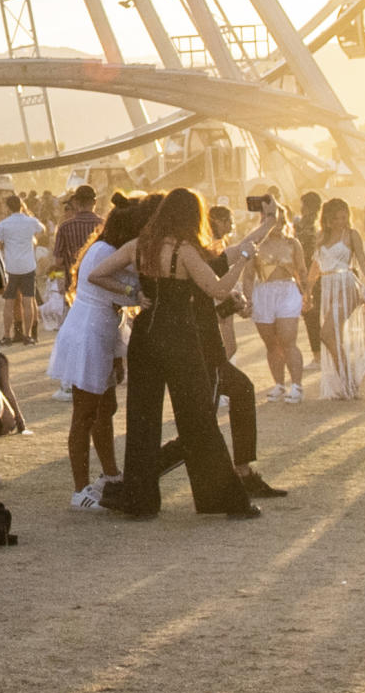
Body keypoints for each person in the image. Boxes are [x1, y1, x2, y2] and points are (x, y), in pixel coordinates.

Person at [105, 190, 259, 522]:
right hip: (179, 337)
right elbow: (218, 289)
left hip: (145, 336)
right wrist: (244, 257)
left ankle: (139, 497)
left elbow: (97, 275)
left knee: (142, 419)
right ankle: (221, 497)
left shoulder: (140, 246)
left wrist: (133, 293)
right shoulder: (185, 251)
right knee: (197, 418)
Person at [47, 193, 144, 508]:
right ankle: (80, 490)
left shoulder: (106, 248)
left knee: (105, 409)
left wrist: (117, 355)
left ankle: (111, 473)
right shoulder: (107, 251)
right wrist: (135, 292)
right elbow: (114, 293)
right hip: (88, 333)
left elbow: (113, 306)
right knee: (85, 413)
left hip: (99, 330)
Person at [242, 198, 307, 400]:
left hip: (287, 291)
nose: (276, 224)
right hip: (263, 293)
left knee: (288, 340)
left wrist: (306, 294)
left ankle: (297, 385)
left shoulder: (292, 243)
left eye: (280, 219)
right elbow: (248, 275)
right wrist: (248, 299)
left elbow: (302, 271)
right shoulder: (255, 244)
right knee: (272, 344)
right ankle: (279, 384)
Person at [305, 198, 365, 400]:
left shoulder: (351, 235)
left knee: (327, 333)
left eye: (345, 217)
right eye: (337, 217)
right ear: (328, 219)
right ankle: (348, 383)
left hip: (346, 284)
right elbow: (315, 267)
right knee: (334, 335)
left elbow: (363, 262)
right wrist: (306, 290)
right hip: (328, 286)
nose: (342, 221)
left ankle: (349, 381)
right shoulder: (322, 236)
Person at [0, 192, 44, 346]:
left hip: (12, 267)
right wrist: (31, 241)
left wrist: (5, 247)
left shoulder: (3, 224)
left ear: (8, 207)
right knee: (28, 300)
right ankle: (28, 336)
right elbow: (43, 230)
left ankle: (7, 335)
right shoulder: (30, 221)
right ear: (22, 206)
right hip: (28, 265)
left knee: (9, 301)